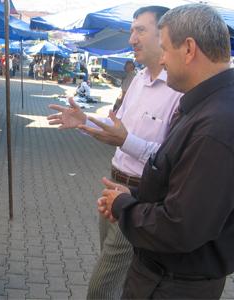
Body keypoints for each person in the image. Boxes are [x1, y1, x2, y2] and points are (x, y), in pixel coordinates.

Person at [98, 4, 234, 299]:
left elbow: (181, 225)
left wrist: (124, 205)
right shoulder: (207, 106)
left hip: (173, 283)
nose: (161, 59)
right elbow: (182, 188)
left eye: (164, 49)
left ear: (188, 49)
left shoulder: (216, 124)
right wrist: (130, 197)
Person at [48, 6, 182, 299]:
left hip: (140, 197)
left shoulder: (178, 90)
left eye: (140, 30)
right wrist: (85, 122)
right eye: (131, 30)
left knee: (101, 287)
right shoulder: (137, 79)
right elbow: (120, 128)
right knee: (121, 278)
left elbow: (172, 159)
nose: (132, 38)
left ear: (164, 35)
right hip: (113, 187)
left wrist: (124, 140)